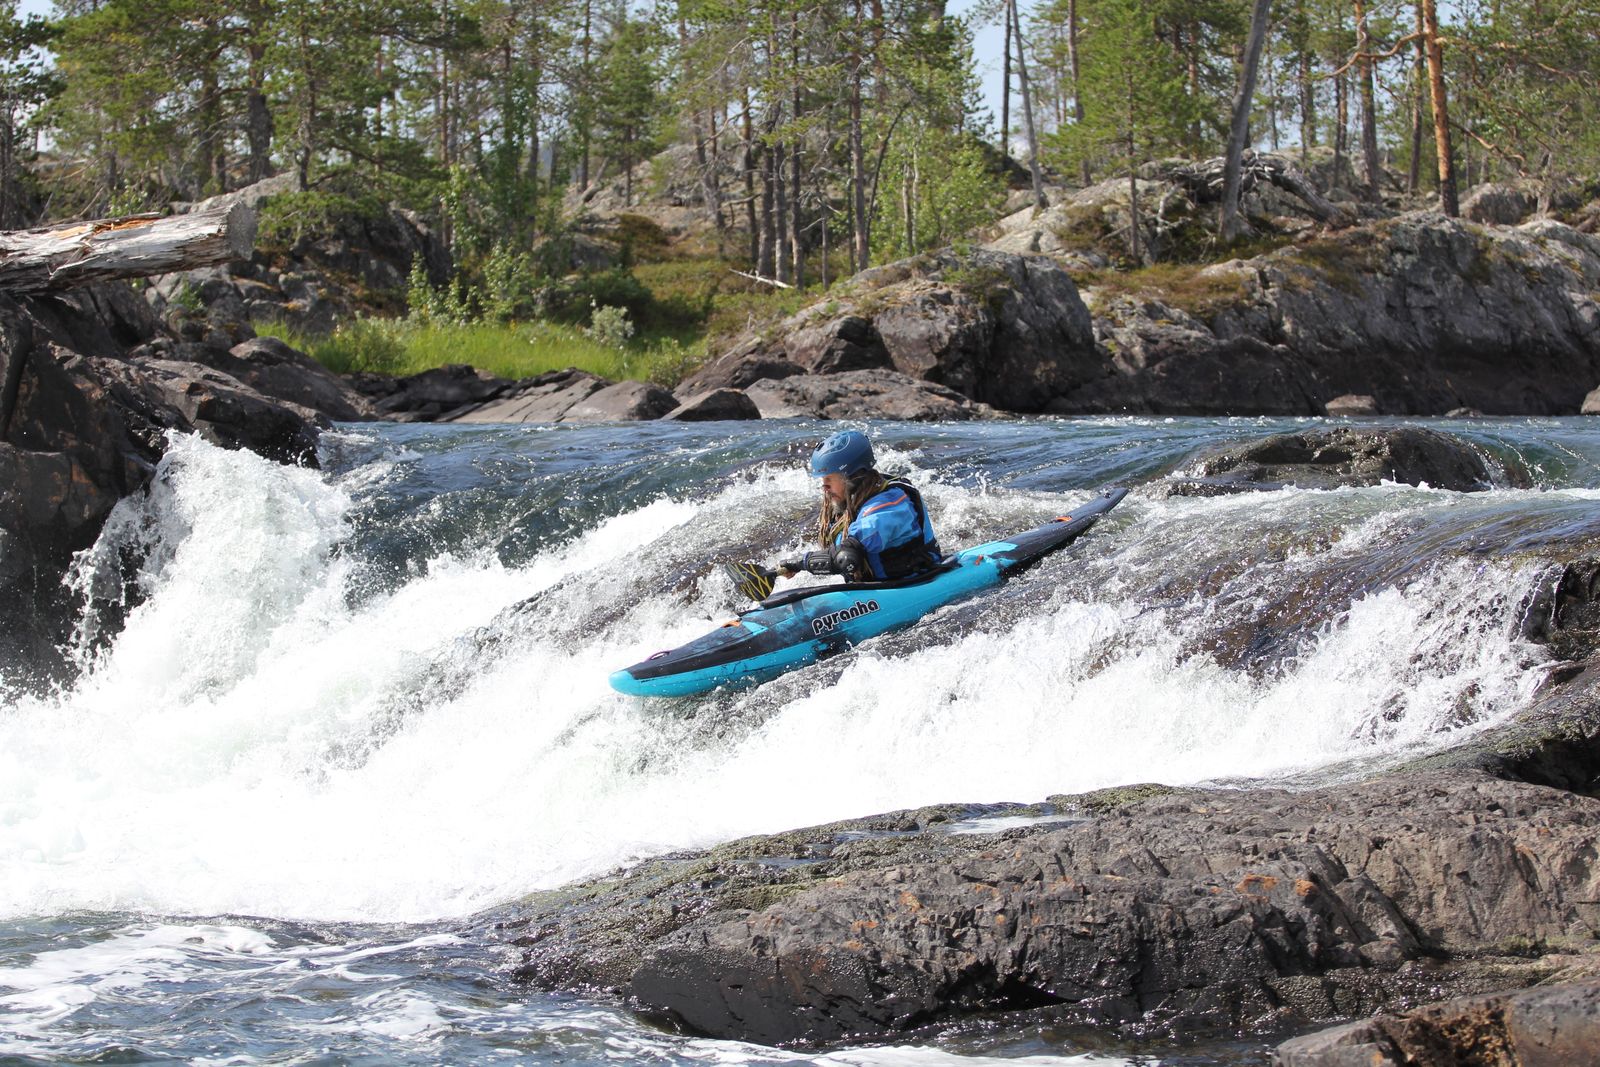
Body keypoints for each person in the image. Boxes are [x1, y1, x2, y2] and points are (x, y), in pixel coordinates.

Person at [779, 430, 941, 584]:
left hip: (917, 581)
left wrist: (803, 562)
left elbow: (848, 555)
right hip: (876, 587)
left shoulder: (889, 504)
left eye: (829, 479)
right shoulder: (844, 505)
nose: (824, 487)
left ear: (851, 475)